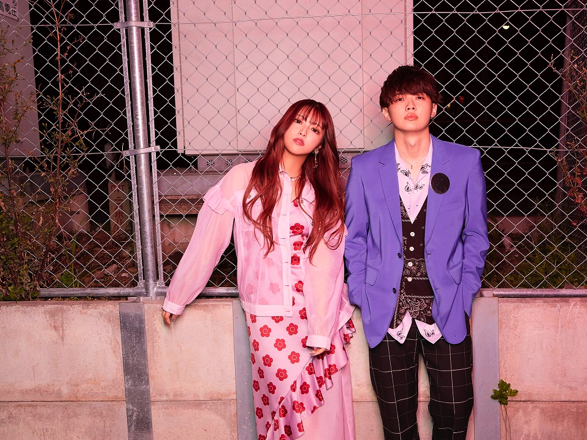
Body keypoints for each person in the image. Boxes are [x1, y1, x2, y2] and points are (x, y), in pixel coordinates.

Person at [162, 99, 356, 440]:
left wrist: (321, 328)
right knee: (283, 410)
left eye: (314, 129)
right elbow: (208, 241)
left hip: (317, 314)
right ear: (283, 126)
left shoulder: (322, 191)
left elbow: (327, 264)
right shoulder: (243, 178)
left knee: (323, 414)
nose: (303, 131)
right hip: (267, 318)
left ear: (320, 144)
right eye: (298, 121)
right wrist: (178, 295)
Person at [344, 65, 489, 440]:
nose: (410, 106)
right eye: (399, 99)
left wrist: (464, 291)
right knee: (397, 424)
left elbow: (476, 234)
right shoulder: (364, 168)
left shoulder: (465, 161)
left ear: (434, 107)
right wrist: (361, 292)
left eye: (419, 98)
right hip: (386, 310)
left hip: (447, 307)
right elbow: (354, 236)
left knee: (455, 412)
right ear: (386, 111)